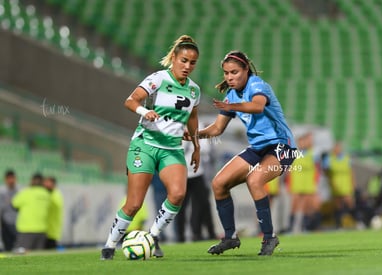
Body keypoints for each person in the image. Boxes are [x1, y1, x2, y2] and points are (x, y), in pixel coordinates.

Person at [101, 35, 201, 260]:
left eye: (192, 63)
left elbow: (193, 117)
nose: (187, 66)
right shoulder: (157, 79)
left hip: (172, 149)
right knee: (134, 204)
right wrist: (144, 112)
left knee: (177, 194)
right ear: (174, 58)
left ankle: (153, 236)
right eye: (183, 60)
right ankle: (109, 245)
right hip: (145, 145)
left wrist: (196, 146)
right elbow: (130, 100)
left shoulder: (194, 90)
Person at [192, 50, 297, 256]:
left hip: (282, 146)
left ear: (246, 70)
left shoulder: (257, 84)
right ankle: (230, 237)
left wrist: (232, 105)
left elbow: (257, 107)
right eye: (226, 73)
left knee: (255, 180)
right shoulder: (231, 96)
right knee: (218, 183)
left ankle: (269, 237)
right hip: (258, 148)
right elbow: (216, 129)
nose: (230, 77)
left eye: (234, 72)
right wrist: (193, 135)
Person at [175, 135, 216, 242]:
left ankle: (197, 233)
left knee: (201, 205)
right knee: (180, 206)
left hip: (197, 173)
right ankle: (180, 235)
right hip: (181, 174)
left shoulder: (199, 128)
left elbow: (206, 149)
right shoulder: (175, 128)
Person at [286, 132, 321, 233]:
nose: (303, 143)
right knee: (294, 206)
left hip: (308, 183)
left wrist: (316, 182)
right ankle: (291, 228)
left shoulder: (313, 154)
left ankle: (304, 227)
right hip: (296, 183)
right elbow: (288, 171)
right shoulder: (293, 154)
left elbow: (318, 169)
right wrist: (288, 184)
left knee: (307, 207)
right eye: (301, 141)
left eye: (305, 141)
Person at [12, 173, 51, 253]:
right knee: (38, 257)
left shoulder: (26, 192)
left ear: (32, 181)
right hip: (42, 230)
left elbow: (14, 204)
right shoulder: (46, 194)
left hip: (26, 230)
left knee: (20, 255)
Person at [322, 141, 357, 229]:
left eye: (338, 148)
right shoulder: (329, 159)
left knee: (349, 202)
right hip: (335, 185)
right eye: (336, 148)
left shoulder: (346, 158)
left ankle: (355, 221)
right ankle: (339, 224)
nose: (337, 150)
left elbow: (351, 172)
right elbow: (325, 171)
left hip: (346, 185)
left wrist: (353, 183)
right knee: (338, 205)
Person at [43, 176, 64, 249]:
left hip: (52, 232)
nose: (45, 184)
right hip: (46, 231)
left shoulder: (55, 194)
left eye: (47, 182)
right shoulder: (51, 194)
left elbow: (55, 204)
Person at [0, 169, 19, 251]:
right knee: (8, 247)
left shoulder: (19, 191)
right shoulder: (2, 192)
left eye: (12, 178)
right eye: (9, 178)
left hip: (19, 224)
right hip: (6, 223)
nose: (11, 180)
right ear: (6, 179)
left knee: (18, 246)